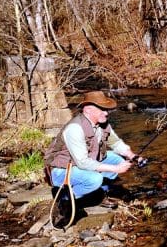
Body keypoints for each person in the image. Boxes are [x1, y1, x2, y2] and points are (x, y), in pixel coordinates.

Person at [44, 91, 141, 222]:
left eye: (106, 109)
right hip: (61, 170)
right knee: (95, 179)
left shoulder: (103, 123)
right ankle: (66, 199)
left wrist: (132, 156)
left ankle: (101, 195)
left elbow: (115, 143)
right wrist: (116, 169)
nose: (106, 113)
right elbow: (83, 162)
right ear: (88, 110)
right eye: (102, 110)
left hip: (84, 162)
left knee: (118, 158)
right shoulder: (74, 128)